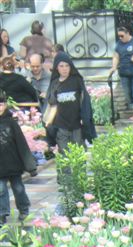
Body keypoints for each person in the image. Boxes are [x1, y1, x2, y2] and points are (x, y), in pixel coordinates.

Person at [45, 54, 96, 153]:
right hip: (61, 126)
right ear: (56, 68)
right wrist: (49, 122)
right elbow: (53, 104)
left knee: (79, 154)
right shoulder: (55, 83)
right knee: (64, 155)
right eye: (61, 66)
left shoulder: (77, 81)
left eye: (67, 66)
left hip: (77, 125)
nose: (64, 69)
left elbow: (84, 101)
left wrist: (85, 119)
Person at [0, 89, 37, 225]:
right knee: (1, 190)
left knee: (18, 188)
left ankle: (24, 209)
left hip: (13, 163)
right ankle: (2, 213)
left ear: (5, 105)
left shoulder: (11, 123)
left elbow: (22, 145)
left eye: (1, 104)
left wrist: (31, 166)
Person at [108, 26, 133, 130]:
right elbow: (116, 56)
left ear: (128, 33)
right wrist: (114, 67)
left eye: (122, 36)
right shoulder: (119, 44)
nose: (120, 38)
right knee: (128, 95)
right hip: (124, 74)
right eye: (119, 36)